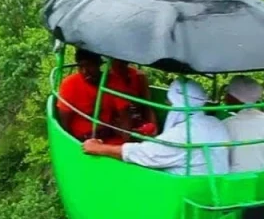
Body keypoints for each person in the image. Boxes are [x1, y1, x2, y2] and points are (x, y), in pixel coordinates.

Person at [82, 78, 230, 175]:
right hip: (215, 187)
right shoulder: (215, 123)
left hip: (187, 192)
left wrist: (100, 148)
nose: (167, 104)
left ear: (177, 102)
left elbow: (144, 153)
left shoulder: (182, 134)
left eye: (169, 100)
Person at [56, 47, 126, 142]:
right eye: (81, 67)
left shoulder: (113, 81)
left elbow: (124, 113)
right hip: (81, 139)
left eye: (89, 66)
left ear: (98, 64)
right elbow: (64, 123)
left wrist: (126, 138)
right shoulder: (70, 84)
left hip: (108, 134)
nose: (85, 71)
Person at [222, 75, 264, 173]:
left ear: (234, 98)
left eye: (228, 94)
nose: (224, 98)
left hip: (234, 180)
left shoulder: (227, 124)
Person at [107, 59, 157, 136]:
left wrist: (154, 129)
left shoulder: (139, 77)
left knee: (150, 129)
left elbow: (148, 105)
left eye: (122, 62)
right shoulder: (108, 79)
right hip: (117, 123)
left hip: (137, 120)